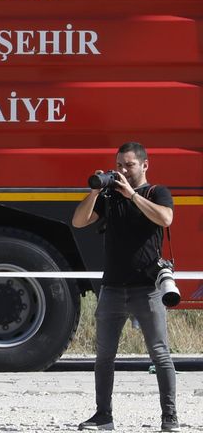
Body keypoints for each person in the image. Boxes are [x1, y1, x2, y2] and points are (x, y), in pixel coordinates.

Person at [72, 142, 177, 432]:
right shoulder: (109, 198)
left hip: (147, 287)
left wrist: (133, 196)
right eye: (119, 165)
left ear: (144, 165)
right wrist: (95, 192)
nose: (122, 170)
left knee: (160, 353)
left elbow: (166, 218)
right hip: (113, 288)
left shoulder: (156, 192)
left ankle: (169, 417)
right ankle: (103, 416)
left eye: (128, 165)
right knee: (104, 356)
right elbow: (78, 221)